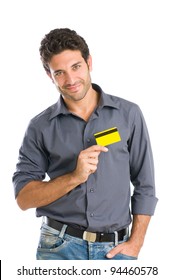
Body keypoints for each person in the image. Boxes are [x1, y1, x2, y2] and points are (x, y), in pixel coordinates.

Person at [12, 28, 158, 260]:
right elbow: (24, 199)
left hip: (116, 250)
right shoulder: (39, 126)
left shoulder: (128, 114)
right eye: (59, 72)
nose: (70, 80)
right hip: (59, 247)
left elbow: (146, 184)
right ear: (49, 75)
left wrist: (136, 242)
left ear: (89, 62)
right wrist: (74, 177)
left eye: (76, 66)